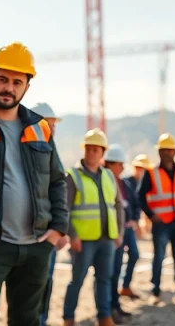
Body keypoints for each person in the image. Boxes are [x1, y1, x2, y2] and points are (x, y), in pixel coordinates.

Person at [0, 42, 69, 326]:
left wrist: (58, 228)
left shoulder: (40, 127)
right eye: (3, 79)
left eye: (17, 82)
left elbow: (57, 180)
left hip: (37, 245)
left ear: (26, 88)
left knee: (27, 320)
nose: (8, 88)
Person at [62, 129, 124, 326]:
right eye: (88, 149)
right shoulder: (73, 176)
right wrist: (73, 235)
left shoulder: (108, 175)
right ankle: (68, 318)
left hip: (107, 238)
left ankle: (104, 316)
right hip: (83, 240)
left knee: (105, 279)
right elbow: (65, 209)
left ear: (102, 152)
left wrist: (119, 232)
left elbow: (118, 205)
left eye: (95, 149)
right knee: (77, 280)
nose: (91, 153)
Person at [138, 133, 175, 306]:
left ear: (174, 152)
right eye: (163, 150)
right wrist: (151, 215)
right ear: (159, 152)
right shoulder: (152, 173)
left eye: (169, 150)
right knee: (159, 257)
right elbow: (140, 196)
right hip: (161, 223)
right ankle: (155, 291)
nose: (166, 153)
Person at [31, 102, 69, 326]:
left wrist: (59, 229)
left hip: (48, 234)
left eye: (53, 125)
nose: (52, 130)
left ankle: (41, 321)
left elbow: (59, 190)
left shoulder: (51, 152)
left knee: (46, 281)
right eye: (48, 124)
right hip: (28, 233)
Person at [102, 144, 137, 322]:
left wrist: (133, 219)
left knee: (116, 270)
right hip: (108, 233)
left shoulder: (124, 183)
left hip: (120, 232)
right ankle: (106, 311)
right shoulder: (102, 180)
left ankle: (114, 305)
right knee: (106, 274)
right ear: (110, 163)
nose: (122, 168)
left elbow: (132, 204)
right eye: (120, 164)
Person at [119, 153, 153, 299]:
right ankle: (119, 288)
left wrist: (136, 220)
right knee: (118, 258)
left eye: (143, 168)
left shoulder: (146, 184)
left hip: (130, 226)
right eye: (138, 168)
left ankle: (125, 286)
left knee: (134, 254)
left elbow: (137, 205)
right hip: (121, 226)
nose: (140, 171)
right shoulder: (126, 182)